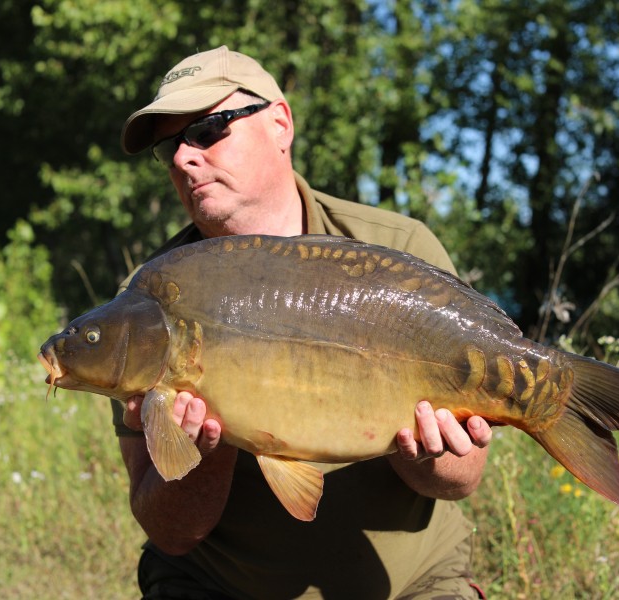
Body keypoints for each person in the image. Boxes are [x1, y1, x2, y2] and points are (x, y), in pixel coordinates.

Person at [113, 46, 492, 599]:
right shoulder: (146, 309)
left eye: (209, 130)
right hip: (222, 586)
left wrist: (432, 454)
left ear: (280, 123)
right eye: (169, 146)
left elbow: (463, 479)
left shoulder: (397, 250)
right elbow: (170, 533)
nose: (183, 159)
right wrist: (203, 450)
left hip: (408, 585)